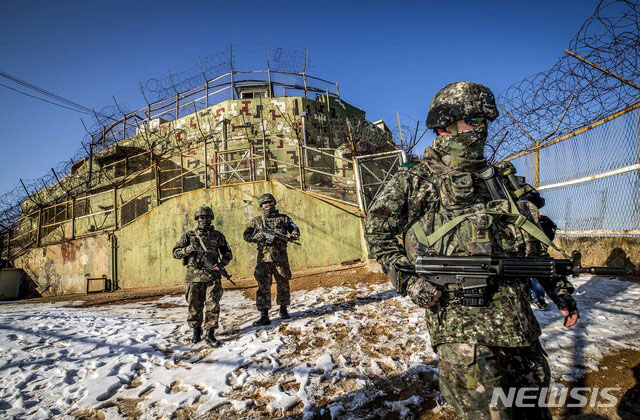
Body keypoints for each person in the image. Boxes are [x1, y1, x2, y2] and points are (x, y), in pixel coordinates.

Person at [364, 82, 579, 419]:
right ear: (444, 125)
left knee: (534, 413)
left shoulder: (502, 181)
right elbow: (377, 234)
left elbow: (532, 248)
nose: (482, 129)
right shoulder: (417, 179)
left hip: (519, 328)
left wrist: (561, 293)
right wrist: (410, 281)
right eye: (474, 120)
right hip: (463, 333)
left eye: (485, 122)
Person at [173, 205, 233, 347]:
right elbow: (175, 252)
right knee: (194, 304)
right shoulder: (189, 235)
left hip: (212, 276)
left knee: (212, 304)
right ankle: (196, 331)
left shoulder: (218, 236)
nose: (203, 220)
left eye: (206, 217)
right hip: (194, 276)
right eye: (200, 218)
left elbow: (228, 253)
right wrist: (187, 250)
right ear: (196, 219)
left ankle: (210, 333)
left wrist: (221, 263)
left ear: (211, 219)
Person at [243, 193, 300, 326]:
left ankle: (283, 309)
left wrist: (294, 234)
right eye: (264, 203)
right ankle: (264, 315)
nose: (267, 205)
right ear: (261, 206)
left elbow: (294, 228)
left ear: (274, 204)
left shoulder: (284, 218)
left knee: (283, 284)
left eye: (270, 202)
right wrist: (255, 237)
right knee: (263, 287)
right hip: (263, 260)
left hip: (280, 258)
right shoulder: (257, 221)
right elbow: (246, 234)